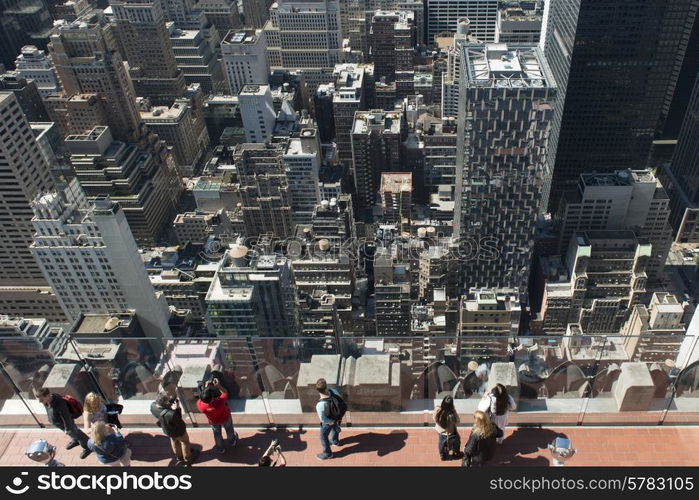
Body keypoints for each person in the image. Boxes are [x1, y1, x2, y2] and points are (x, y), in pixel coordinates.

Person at [34, 388, 91, 459]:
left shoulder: (59, 404)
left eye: (41, 400)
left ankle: (87, 447)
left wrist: (68, 428)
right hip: (60, 423)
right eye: (39, 400)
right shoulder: (47, 401)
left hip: (67, 424)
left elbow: (66, 417)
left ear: (48, 396)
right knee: (72, 434)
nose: (40, 402)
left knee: (77, 434)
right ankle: (75, 440)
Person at [151, 393, 196, 465]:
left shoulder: (153, 406)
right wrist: (177, 406)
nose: (170, 401)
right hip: (178, 431)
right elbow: (178, 419)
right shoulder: (171, 414)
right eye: (169, 400)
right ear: (165, 402)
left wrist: (169, 405)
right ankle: (187, 458)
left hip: (167, 430)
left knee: (174, 441)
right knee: (185, 442)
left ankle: (179, 456)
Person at [196, 377, 237, 454]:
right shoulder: (219, 401)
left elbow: (202, 398)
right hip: (225, 418)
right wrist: (218, 385)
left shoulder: (201, 406)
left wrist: (205, 388)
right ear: (212, 397)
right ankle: (232, 441)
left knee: (217, 435)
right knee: (229, 430)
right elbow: (225, 392)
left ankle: (220, 448)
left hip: (214, 422)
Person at [315, 378, 343, 461]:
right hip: (337, 417)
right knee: (334, 428)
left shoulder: (320, 405)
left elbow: (323, 419)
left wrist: (331, 422)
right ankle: (335, 441)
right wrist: (335, 422)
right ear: (326, 386)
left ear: (317, 390)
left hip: (328, 422)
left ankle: (327, 454)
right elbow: (340, 400)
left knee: (323, 437)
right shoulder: (333, 391)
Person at [433, 395, 460, 460]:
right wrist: (454, 411)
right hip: (450, 432)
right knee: (457, 440)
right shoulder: (452, 414)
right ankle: (455, 452)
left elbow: (434, 418)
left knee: (441, 443)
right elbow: (458, 421)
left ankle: (442, 455)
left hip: (440, 431)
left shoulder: (437, 409)